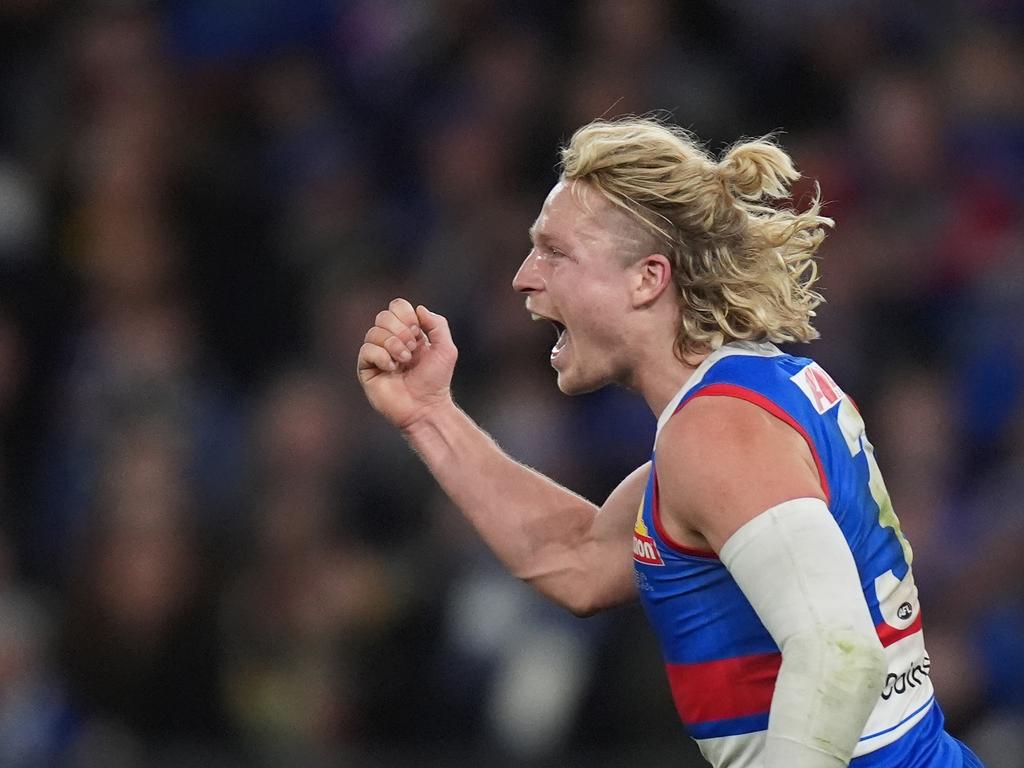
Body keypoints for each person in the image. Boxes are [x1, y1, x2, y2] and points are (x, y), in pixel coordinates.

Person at [356, 117, 984, 767]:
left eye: (555, 252)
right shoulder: (759, 394)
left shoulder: (716, 431)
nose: (523, 276)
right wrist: (429, 414)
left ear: (647, 278)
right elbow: (575, 559)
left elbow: (837, 651)